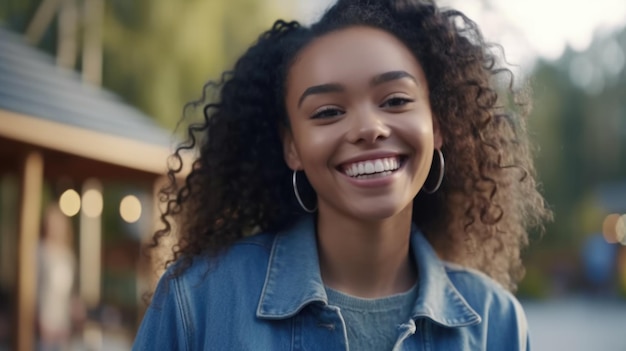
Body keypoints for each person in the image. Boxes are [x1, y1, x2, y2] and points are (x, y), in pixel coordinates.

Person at [133, 0, 552, 349]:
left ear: (438, 125)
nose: (369, 128)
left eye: (395, 100)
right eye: (329, 111)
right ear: (292, 146)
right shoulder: (198, 302)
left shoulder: (496, 325)